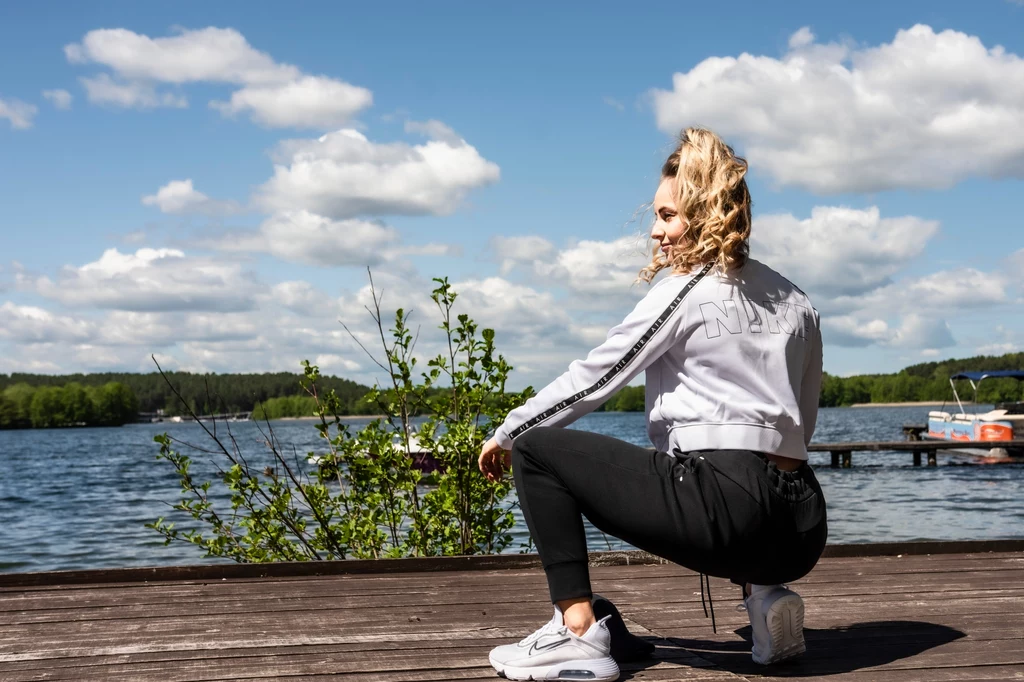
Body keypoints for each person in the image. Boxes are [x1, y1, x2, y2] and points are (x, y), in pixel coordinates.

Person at [478, 127, 827, 682]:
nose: (656, 231)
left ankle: (575, 632)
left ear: (706, 212)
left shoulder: (686, 289)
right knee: (745, 474)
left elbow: (597, 377)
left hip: (727, 508)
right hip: (803, 527)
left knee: (541, 451)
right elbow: (799, 422)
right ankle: (765, 599)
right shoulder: (797, 301)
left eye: (668, 216)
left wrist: (512, 429)